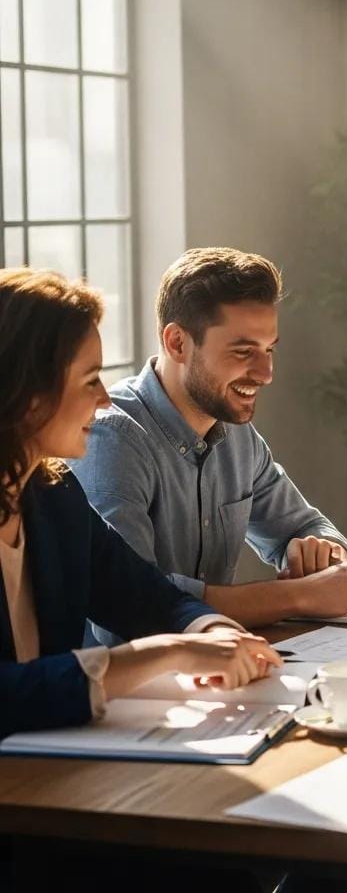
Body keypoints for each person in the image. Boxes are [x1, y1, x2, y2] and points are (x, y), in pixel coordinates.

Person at [0, 268, 281, 740]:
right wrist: (167, 652)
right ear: (30, 396)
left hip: (48, 768)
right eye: (90, 380)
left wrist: (210, 632)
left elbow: (141, 594)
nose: (104, 399)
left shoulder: (52, 495)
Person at [71, 248, 347, 641]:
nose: (266, 373)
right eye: (243, 352)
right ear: (177, 343)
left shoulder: (234, 430)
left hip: (217, 674)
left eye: (269, 349)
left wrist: (323, 553)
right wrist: (299, 596)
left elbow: (305, 525)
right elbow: (131, 614)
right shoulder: (112, 438)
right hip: (127, 694)